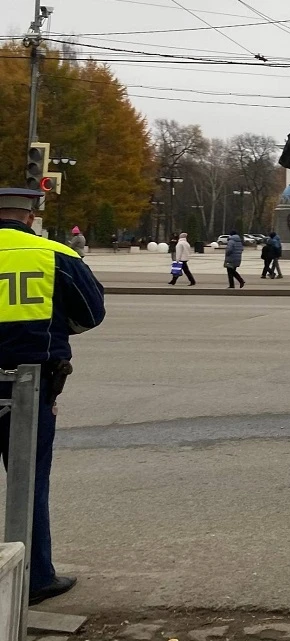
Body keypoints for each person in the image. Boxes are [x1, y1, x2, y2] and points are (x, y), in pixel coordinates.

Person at [0, 188, 106, 605]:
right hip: (29, 385)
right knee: (29, 479)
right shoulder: (55, 255)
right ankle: (36, 576)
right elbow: (91, 313)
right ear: (30, 217)